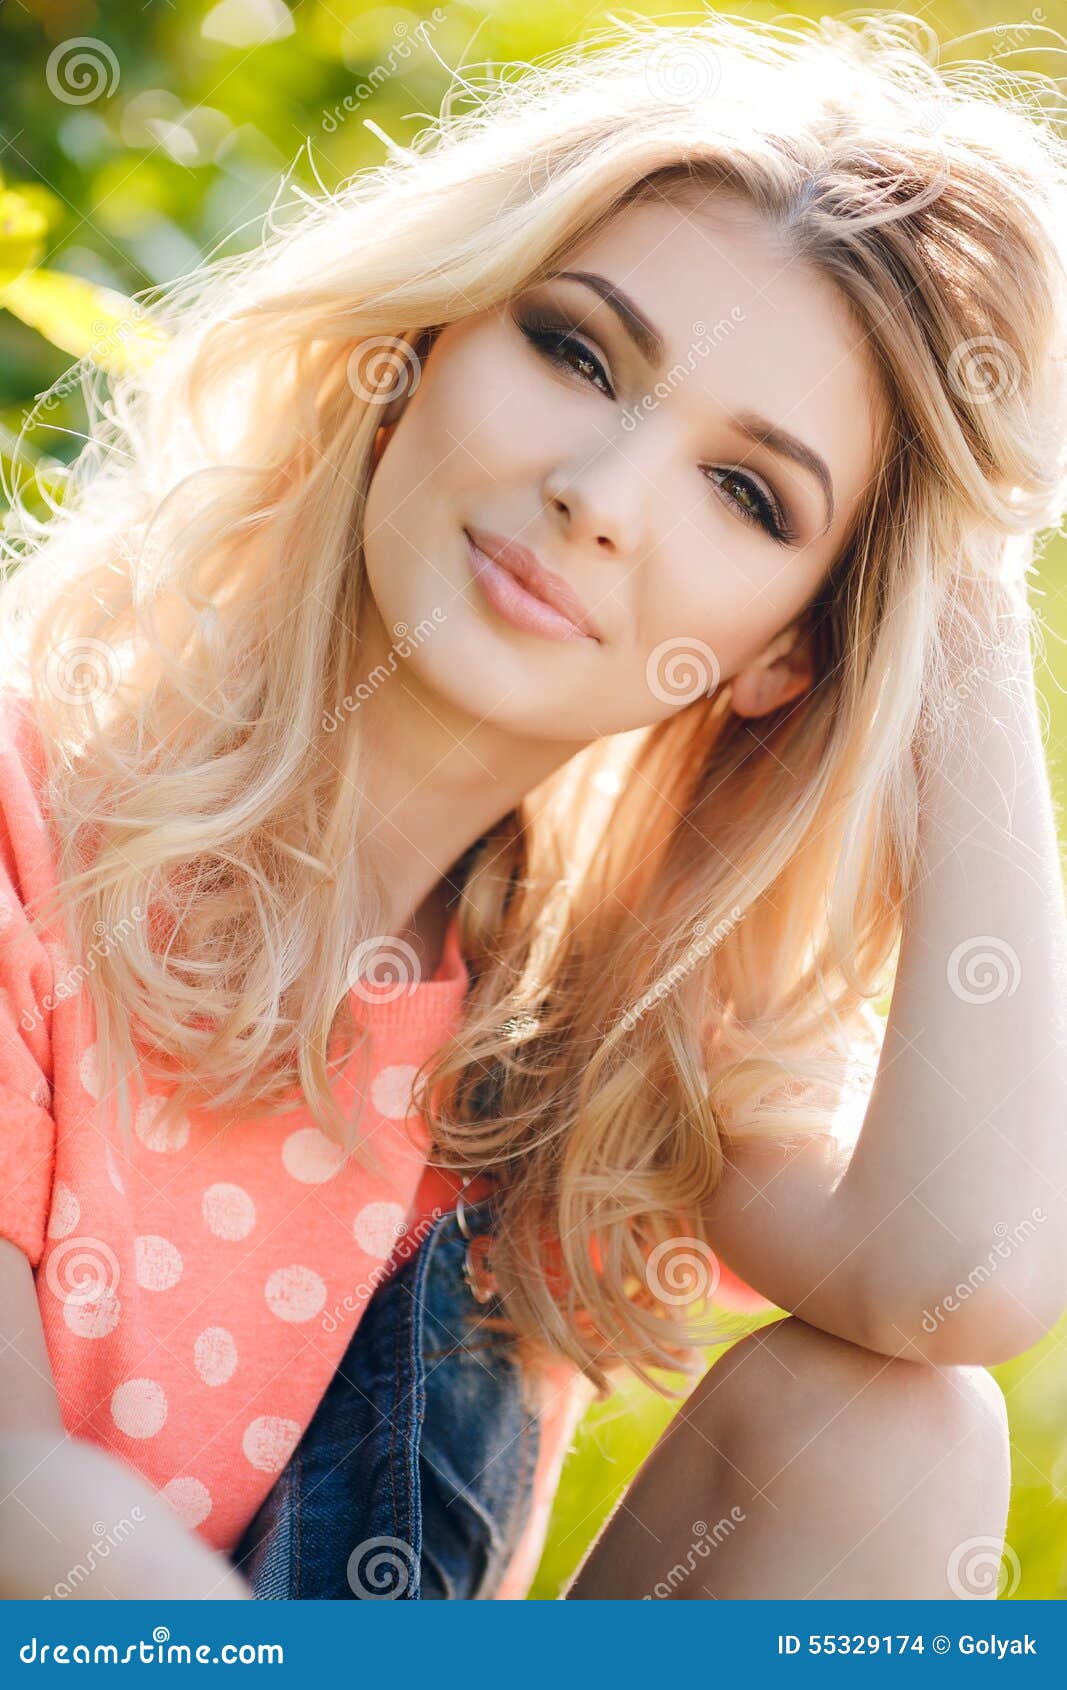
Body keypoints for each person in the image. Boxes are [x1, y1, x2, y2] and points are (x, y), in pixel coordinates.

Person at [1, 9, 1065, 1601]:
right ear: (416, 347)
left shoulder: (586, 1026)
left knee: (894, 1430)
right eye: (574, 350)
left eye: (748, 494)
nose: (603, 496)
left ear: (784, 655)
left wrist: (962, 559)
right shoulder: (32, 815)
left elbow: (961, 1277)